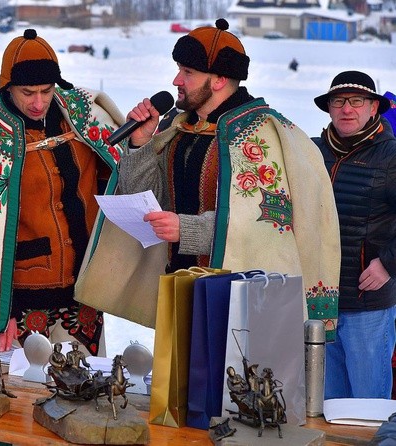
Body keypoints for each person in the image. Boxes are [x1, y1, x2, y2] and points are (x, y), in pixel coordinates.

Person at [78, 19, 341, 340]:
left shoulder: (260, 136)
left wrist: (185, 229)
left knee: (227, 388)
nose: (176, 80)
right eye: (179, 69)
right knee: (176, 388)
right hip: (179, 285)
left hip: (238, 302)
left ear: (219, 79)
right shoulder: (179, 128)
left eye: (188, 72)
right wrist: (141, 144)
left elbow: (266, 226)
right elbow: (149, 198)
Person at [0, 29, 125, 356]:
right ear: (6, 86)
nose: (39, 102)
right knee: (24, 399)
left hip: (83, 295)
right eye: (27, 92)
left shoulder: (84, 118)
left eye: (46, 90)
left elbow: (118, 175)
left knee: (86, 395)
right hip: (22, 302)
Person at [312, 70, 396, 399]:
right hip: (319, 300)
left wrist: (388, 265)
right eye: (338, 101)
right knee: (327, 405)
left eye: (357, 101)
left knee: (367, 406)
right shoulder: (314, 152)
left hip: (367, 304)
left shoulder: (391, 157)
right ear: (330, 108)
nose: (347, 109)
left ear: (374, 108)